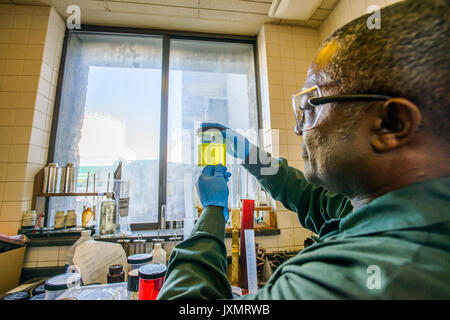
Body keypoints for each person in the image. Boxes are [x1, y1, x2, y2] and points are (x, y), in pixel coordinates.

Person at [158, 0, 450, 299]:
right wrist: (247, 153)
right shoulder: (404, 213)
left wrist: (212, 212)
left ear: (391, 124)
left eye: (311, 106)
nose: (299, 128)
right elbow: (310, 198)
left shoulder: (332, 281)